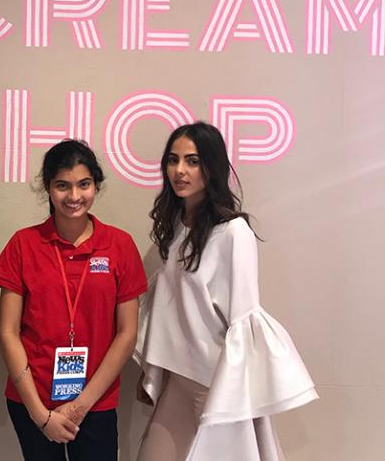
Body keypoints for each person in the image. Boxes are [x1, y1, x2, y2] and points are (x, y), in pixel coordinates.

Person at [135, 122, 318, 461]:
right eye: (173, 160)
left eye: (192, 161)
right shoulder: (176, 227)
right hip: (178, 381)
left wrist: (231, 395)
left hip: (216, 386)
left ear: (212, 166)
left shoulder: (234, 233)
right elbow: (169, 305)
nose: (180, 170)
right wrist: (154, 370)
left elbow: (244, 318)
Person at [0, 139, 147, 461]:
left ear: (96, 186)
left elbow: (127, 333)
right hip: (32, 400)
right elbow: (8, 332)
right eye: (63, 185)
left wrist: (80, 405)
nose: (74, 197)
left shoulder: (119, 245)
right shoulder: (23, 245)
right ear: (48, 188)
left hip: (96, 401)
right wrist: (39, 413)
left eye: (83, 185)